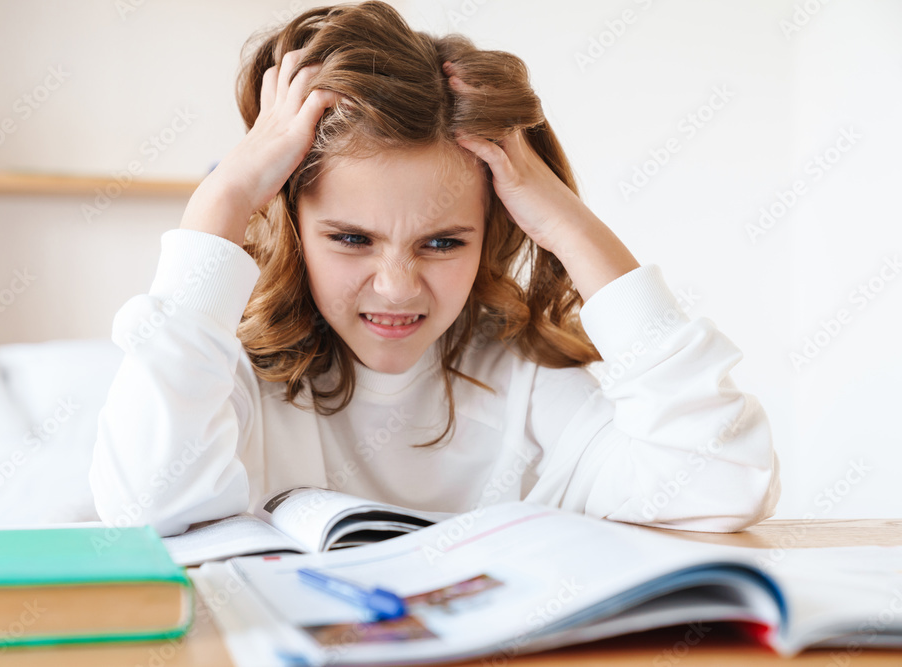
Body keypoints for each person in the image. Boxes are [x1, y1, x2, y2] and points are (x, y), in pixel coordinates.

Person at [88, 0, 780, 538]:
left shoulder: (528, 386)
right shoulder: (227, 381)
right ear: (293, 227)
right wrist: (222, 200)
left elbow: (720, 479)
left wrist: (569, 222)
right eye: (353, 238)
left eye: (442, 243)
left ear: (497, 232)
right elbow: (144, 507)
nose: (396, 286)